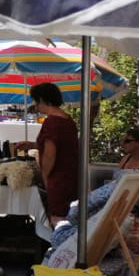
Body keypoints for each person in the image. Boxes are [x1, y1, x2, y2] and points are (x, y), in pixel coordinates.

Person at [32, 82, 80, 225]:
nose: (35, 105)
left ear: (41, 100)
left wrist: (45, 177)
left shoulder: (52, 122)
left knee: (59, 222)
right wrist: (34, 145)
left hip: (58, 178)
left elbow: (50, 154)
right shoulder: (68, 120)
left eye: (36, 101)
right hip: (71, 177)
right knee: (69, 218)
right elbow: (62, 146)